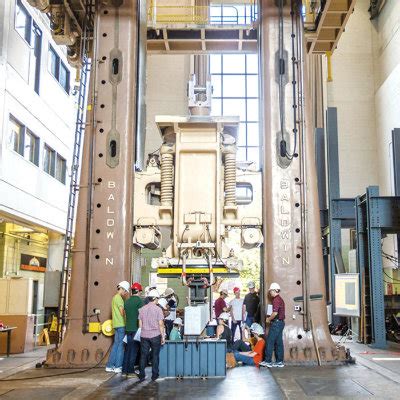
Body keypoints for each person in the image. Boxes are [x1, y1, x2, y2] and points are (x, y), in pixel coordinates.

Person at [138, 288, 166, 382]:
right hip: (155, 335)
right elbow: (161, 324)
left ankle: (142, 375)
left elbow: (140, 324)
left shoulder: (142, 309)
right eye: (157, 298)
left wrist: (144, 331)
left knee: (143, 356)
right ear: (154, 298)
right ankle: (154, 376)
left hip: (144, 335)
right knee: (155, 355)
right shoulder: (158, 309)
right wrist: (163, 336)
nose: (158, 300)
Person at [105, 281, 130, 373]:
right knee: (120, 346)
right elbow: (121, 312)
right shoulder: (119, 298)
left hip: (116, 324)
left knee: (116, 345)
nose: (125, 293)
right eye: (125, 291)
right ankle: (118, 366)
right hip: (121, 324)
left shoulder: (114, 298)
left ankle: (110, 365)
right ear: (122, 289)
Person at [260, 282, 285, 368]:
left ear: (275, 290)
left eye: (271, 291)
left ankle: (268, 361)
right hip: (280, 323)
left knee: (270, 341)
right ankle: (279, 361)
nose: (270, 292)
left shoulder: (276, 300)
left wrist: (268, 319)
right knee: (279, 342)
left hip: (276, 323)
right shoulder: (280, 299)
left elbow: (274, 313)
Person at [122, 282, 143, 377]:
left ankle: (124, 371)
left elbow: (124, 315)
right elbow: (141, 316)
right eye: (140, 291)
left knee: (127, 350)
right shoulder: (139, 301)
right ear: (138, 291)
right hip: (135, 329)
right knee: (134, 351)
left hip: (128, 329)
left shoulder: (127, 301)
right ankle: (130, 372)